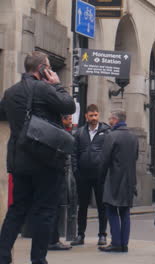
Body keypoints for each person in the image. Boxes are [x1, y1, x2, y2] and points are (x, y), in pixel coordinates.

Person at [0, 51, 75, 264]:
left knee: (17, 210)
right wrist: (57, 85)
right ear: (43, 68)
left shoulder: (11, 92)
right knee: (45, 212)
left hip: (19, 161)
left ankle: (3, 256)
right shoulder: (44, 88)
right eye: (49, 67)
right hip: (46, 161)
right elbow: (69, 106)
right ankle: (38, 260)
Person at [98, 110, 139, 253]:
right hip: (129, 180)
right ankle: (124, 244)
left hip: (114, 179)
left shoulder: (111, 136)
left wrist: (101, 178)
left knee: (111, 210)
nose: (109, 121)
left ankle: (116, 242)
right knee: (125, 212)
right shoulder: (134, 137)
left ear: (115, 120)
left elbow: (104, 160)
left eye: (110, 118)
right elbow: (135, 158)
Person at [71, 104, 110, 246]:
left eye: (96, 115)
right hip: (83, 175)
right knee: (82, 207)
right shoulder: (80, 133)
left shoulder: (106, 132)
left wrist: (105, 172)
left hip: (100, 176)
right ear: (86, 116)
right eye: (91, 115)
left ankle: (102, 235)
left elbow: (109, 153)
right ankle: (80, 234)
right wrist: (76, 171)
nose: (94, 118)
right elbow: (74, 154)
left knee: (101, 206)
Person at [48, 115, 75, 251]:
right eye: (68, 119)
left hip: (59, 174)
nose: (71, 121)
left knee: (57, 207)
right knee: (55, 208)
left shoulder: (60, 132)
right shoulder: (60, 134)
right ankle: (52, 240)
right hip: (57, 175)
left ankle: (53, 239)